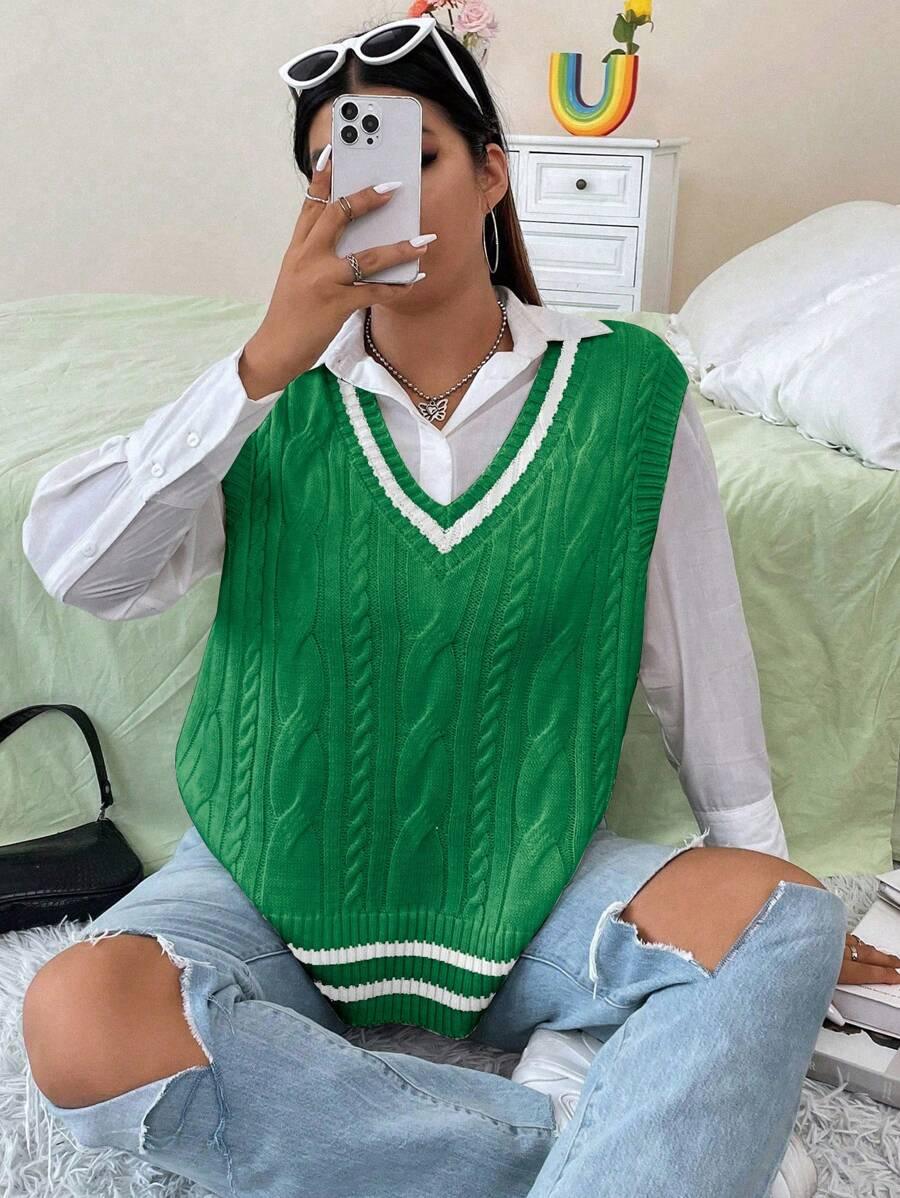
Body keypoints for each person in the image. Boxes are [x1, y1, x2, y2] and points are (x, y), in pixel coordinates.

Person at [18, 17, 894, 1198]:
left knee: (784, 920)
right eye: (337, 171)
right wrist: (259, 366)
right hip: (263, 879)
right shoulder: (267, 399)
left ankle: (629, 1131)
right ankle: (604, 1130)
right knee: (79, 1017)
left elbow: (700, 661)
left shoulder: (628, 388)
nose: (375, 194)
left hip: (528, 880)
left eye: (414, 156)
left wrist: (752, 904)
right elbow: (83, 570)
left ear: (490, 172)